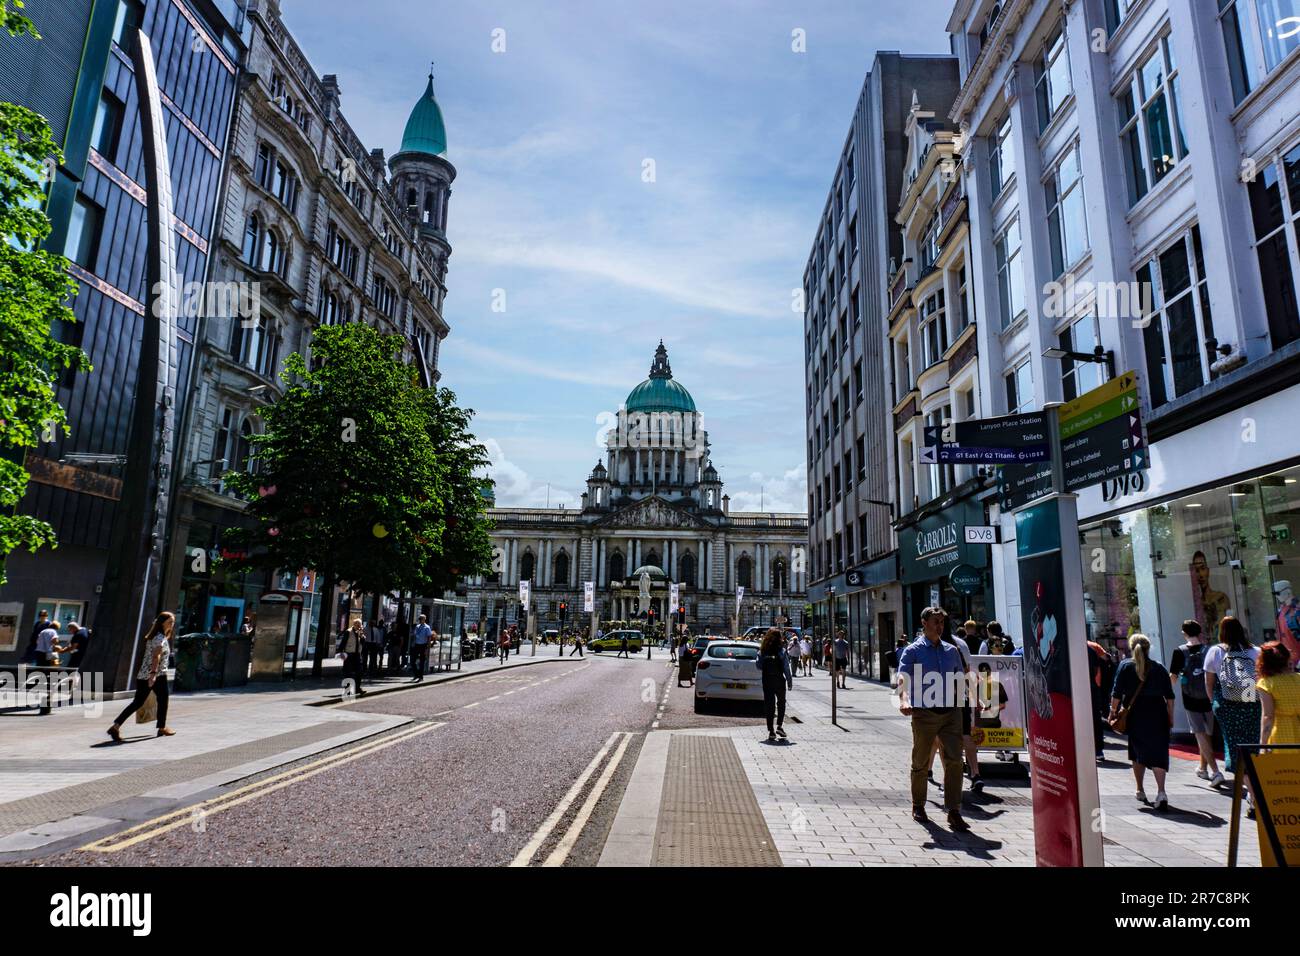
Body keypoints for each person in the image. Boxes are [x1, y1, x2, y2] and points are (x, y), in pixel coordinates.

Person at [896, 607, 971, 832]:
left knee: (955, 761)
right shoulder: (913, 650)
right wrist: (904, 700)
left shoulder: (951, 650)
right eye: (935, 621)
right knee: (920, 762)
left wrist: (977, 697)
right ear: (924, 622)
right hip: (924, 713)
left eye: (942, 622)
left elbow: (963, 676)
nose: (939, 626)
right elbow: (902, 677)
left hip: (951, 712)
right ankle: (918, 804)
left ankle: (954, 810)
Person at [1109, 634, 1175, 808]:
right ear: (1148, 648)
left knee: (1138, 751)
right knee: (1159, 752)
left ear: (1132, 648)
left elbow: (1116, 693)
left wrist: (1113, 712)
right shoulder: (1159, 668)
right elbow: (1169, 696)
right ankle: (1161, 792)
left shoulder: (1125, 666)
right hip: (1157, 712)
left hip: (1136, 714)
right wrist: (1170, 716)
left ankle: (1140, 789)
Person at [1204, 615, 1260, 782]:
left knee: (1233, 742)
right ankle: (1255, 776)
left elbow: (1209, 682)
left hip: (1226, 704)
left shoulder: (1216, 651)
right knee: (1253, 740)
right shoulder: (1255, 651)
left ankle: (1244, 779)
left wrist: (1213, 701)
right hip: (1252, 702)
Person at [107, 612, 177, 740]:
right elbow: (156, 656)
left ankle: (115, 726)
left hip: (143, 674)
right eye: (170, 622)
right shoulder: (159, 638)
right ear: (162, 623)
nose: (172, 624)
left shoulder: (155, 636)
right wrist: (153, 675)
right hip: (157, 675)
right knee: (163, 700)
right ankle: (162, 728)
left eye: (173, 622)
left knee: (137, 702)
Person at [1169, 620, 1222, 785]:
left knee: (1199, 733)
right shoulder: (1210, 650)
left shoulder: (1180, 651)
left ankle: (1215, 771)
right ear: (1200, 632)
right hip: (1210, 696)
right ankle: (1202, 768)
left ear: (1184, 633)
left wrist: (1167, 695)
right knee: (1206, 734)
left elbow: (1173, 677)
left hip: (1190, 698)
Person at [1257, 641, 1300, 745]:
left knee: (1283, 762)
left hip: (1281, 736)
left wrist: (1263, 743)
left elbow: (1268, 716)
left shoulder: (1266, 684)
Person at [755, 628, 793, 742]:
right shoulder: (781, 651)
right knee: (781, 703)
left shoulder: (762, 651)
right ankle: (780, 726)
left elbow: (758, 665)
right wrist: (790, 681)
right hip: (779, 680)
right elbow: (786, 667)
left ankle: (771, 730)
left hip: (767, 680)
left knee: (769, 705)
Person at [1086, 638, 1114, 763]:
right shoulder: (1092, 648)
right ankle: (1098, 751)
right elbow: (1101, 665)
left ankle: (1090, 750)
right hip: (1093, 688)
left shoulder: (1067, 647)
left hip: (1079, 690)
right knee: (1095, 719)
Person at [338, 620, 367, 695]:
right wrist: (340, 652)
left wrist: (361, 635)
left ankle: (357, 688)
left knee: (359, 672)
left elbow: (363, 643)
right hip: (349, 654)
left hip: (357, 654)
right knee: (348, 672)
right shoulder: (348, 632)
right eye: (357, 625)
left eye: (360, 625)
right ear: (354, 624)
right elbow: (343, 642)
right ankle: (347, 689)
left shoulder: (360, 633)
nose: (359, 626)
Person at [411, 614, 433, 681]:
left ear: (424, 619)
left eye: (421, 618)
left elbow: (429, 637)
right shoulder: (417, 627)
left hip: (423, 645)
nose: (420, 620)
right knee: (412, 661)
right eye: (419, 618)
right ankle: (416, 674)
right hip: (417, 645)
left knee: (421, 662)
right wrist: (413, 643)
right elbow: (415, 635)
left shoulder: (427, 627)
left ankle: (420, 676)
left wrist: (428, 647)